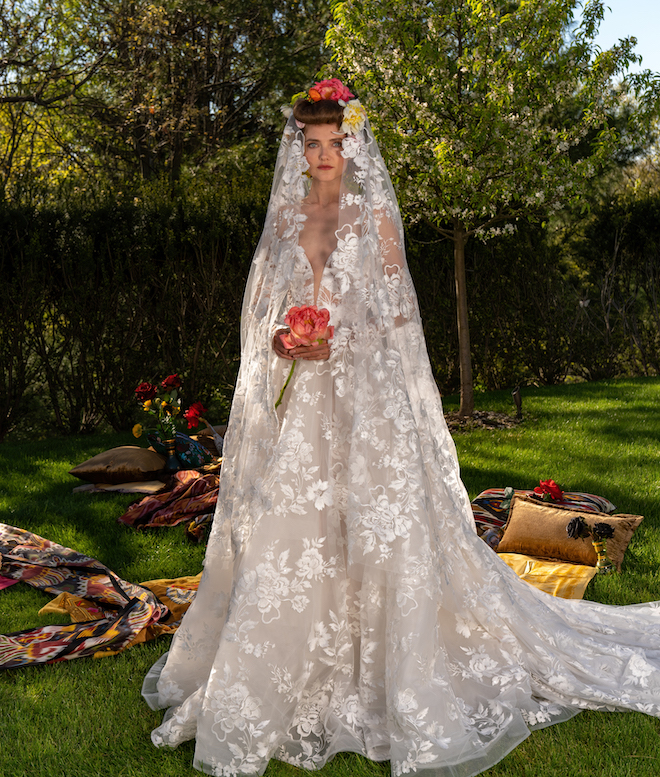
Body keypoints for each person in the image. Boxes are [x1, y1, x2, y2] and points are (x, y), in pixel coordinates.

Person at [142, 79, 660, 777]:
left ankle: (387, 668)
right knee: (297, 535)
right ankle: (286, 670)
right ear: (298, 148)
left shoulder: (372, 215)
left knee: (375, 529)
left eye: (336, 142)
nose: (324, 155)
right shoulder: (287, 215)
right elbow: (263, 315)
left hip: (364, 403)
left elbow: (398, 322)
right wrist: (283, 343)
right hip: (302, 409)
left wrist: (340, 344)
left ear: (353, 145)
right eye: (312, 143)